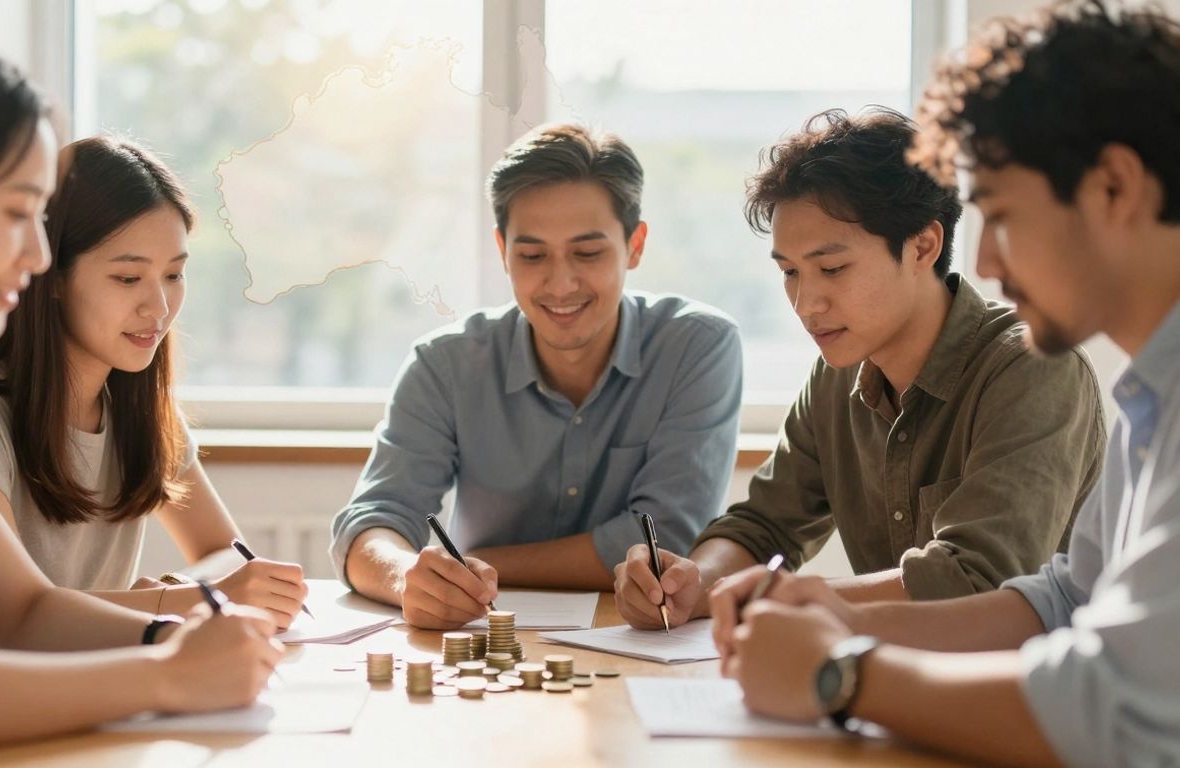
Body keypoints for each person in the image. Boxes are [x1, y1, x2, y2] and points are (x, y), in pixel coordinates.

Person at [712, 2, 1180, 765]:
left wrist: (840, 674)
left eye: (1002, 215)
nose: (988, 263)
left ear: (1114, 188)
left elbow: (1119, 715)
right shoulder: (1147, 400)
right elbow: (1060, 601)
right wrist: (821, 615)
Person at [0, 30, 281, 765]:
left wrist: (174, 639)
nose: (36, 256)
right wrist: (166, 673)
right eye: (15, 212)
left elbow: (27, 611)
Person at [614, 107, 1105, 630]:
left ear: (923, 245)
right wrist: (694, 582)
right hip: (893, 686)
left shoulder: (1033, 369)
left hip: (1037, 695)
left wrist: (782, 596)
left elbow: (974, 579)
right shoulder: (838, 372)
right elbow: (762, 528)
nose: (805, 304)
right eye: (789, 273)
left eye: (832, 269)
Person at [331, 123, 743, 629]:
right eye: (531, 255)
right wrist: (405, 576)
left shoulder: (697, 346)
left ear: (635, 245)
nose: (560, 283)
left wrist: (479, 560)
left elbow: (664, 538)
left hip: (641, 641)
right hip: (483, 640)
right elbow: (371, 522)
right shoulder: (444, 363)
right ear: (502, 249)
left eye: (588, 253)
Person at [0, 136, 307, 646]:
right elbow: (22, 619)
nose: (158, 308)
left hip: (101, 689)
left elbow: (223, 550)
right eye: (128, 277)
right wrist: (182, 601)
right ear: (52, 276)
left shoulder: (139, 411)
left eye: (174, 274)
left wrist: (179, 588)